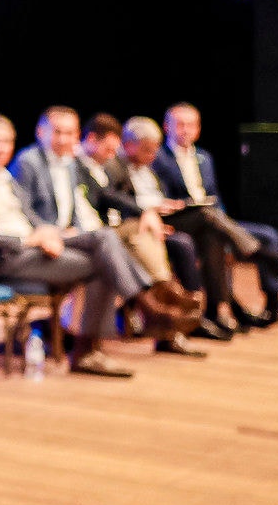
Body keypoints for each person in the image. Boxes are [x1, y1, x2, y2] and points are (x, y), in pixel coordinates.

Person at [11, 106, 202, 365]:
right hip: (46, 240)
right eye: (57, 132)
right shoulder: (29, 162)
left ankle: (153, 303)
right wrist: (52, 231)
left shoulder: (66, 163)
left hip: (75, 234)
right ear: (40, 131)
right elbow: (22, 209)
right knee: (107, 245)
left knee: (132, 233)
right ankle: (149, 306)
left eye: (70, 133)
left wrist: (144, 211)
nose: (64, 139)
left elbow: (82, 204)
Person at [153, 103, 278, 329]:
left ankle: (273, 303)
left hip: (215, 221)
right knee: (212, 225)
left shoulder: (204, 157)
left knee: (268, 234)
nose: (185, 130)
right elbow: (158, 198)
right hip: (183, 223)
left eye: (191, 125)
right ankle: (273, 261)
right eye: (179, 124)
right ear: (166, 127)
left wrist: (226, 225)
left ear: (198, 129)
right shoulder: (157, 158)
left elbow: (216, 197)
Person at [79, 114, 210, 355]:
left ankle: (163, 310)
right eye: (110, 149)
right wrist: (146, 212)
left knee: (154, 233)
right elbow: (109, 198)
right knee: (145, 235)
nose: (112, 154)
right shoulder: (86, 164)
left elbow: (113, 197)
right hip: (94, 234)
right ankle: (159, 306)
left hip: (110, 230)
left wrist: (147, 213)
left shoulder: (101, 165)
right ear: (90, 140)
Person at [116, 115, 235, 341]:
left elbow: (158, 194)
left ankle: (202, 313)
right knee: (192, 234)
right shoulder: (118, 168)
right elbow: (115, 200)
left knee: (209, 234)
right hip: (137, 227)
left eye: (154, 150)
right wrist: (150, 210)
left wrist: (162, 206)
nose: (152, 156)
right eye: (147, 150)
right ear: (129, 145)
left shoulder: (149, 167)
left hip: (160, 221)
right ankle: (179, 313)